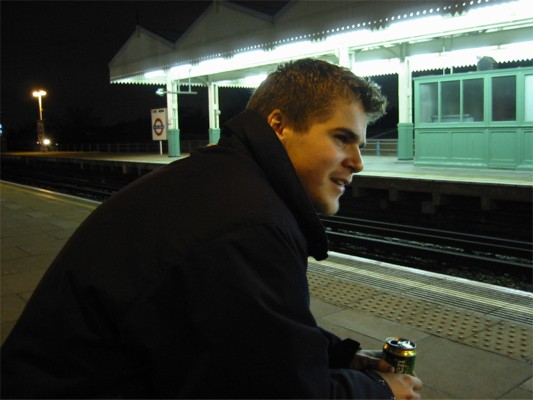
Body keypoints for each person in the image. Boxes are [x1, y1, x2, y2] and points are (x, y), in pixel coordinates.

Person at [1, 58, 423, 399]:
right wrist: (380, 391)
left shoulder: (222, 182)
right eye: (341, 138)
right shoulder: (247, 225)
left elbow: (253, 331)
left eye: (360, 144)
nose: (358, 162)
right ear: (280, 126)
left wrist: (342, 357)